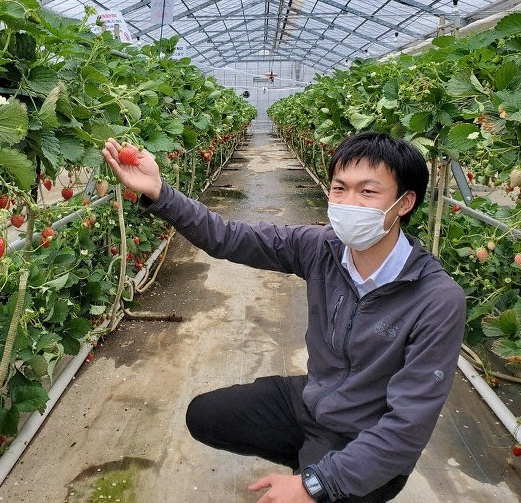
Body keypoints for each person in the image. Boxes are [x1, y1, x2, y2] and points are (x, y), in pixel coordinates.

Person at [101, 132, 466, 503]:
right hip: (314, 402)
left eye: (368, 192)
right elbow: (228, 237)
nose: (349, 203)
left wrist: (314, 484)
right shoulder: (322, 248)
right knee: (205, 415)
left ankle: (326, 472)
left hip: (366, 436)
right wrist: (160, 193)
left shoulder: (436, 300)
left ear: (404, 203)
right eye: (340, 189)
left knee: (318, 489)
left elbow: (407, 428)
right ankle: (311, 458)